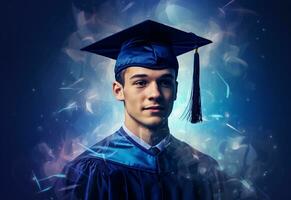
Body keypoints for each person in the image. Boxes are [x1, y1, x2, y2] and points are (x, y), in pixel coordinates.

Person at [54, 20, 226, 200]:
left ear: (175, 90)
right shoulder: (89, 172)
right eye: (141, 83)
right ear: (118, 91)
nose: (155, 94)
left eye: (165, 82)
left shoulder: (204, 170)